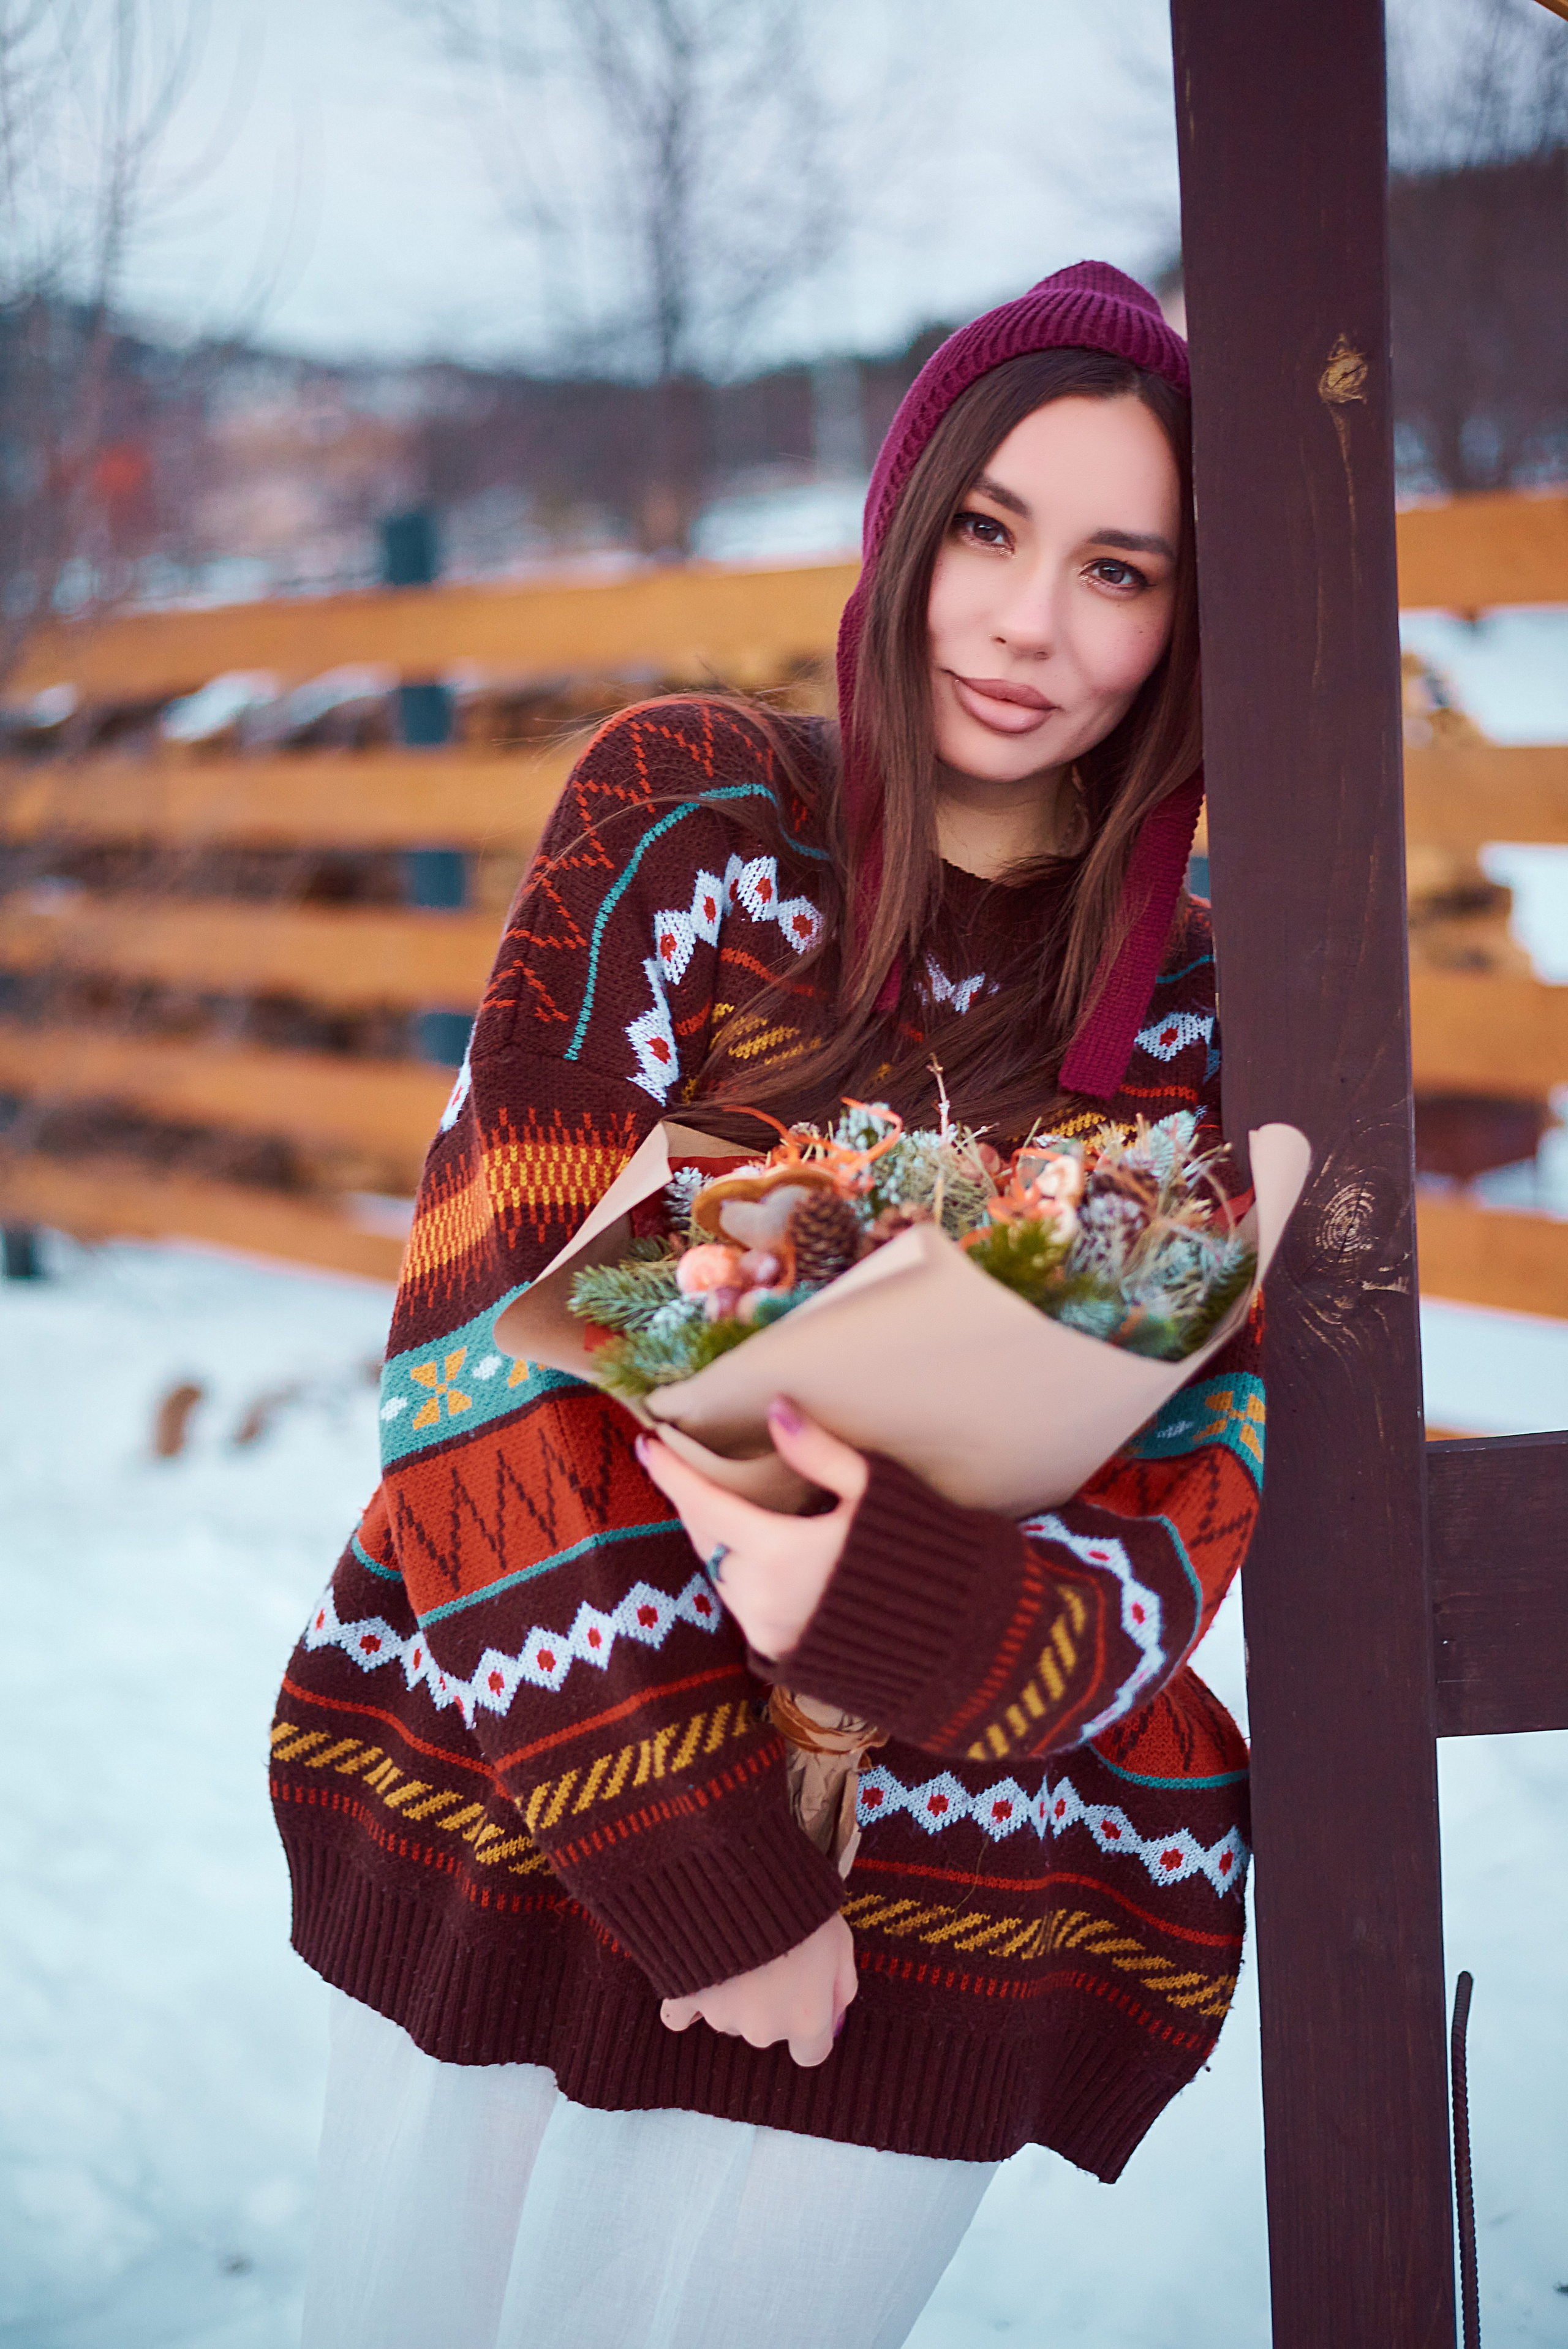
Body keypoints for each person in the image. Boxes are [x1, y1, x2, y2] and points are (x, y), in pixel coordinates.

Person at [275, 260, 1265, 2349]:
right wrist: (698, 1850)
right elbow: (478, 1343)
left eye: (1119, 568)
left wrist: (875, 1598)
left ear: (1191, 617)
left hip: (958, 1865)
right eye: (988, 531)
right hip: (539, 1791)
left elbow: (1195, 1483)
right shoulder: (694, 819)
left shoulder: (1203, 1008)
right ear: (908, 526)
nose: (1027, 623)